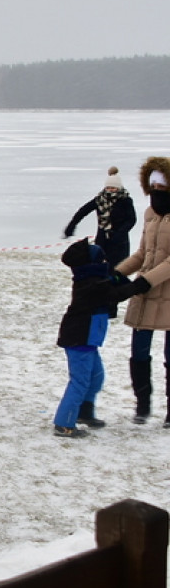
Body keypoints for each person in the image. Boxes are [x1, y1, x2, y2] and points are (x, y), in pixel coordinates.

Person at [54, 239, 149, 437]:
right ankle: (64, 423)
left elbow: (112, 283)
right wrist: (141, 285)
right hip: (79, 339)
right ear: (92, 264)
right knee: (80, 381)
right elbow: (117, 293)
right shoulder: (90, 284)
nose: (106, 262)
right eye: (102, 259)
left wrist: (118, 276)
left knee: (96, 377)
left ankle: (84, 412)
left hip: (89, 340)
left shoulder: (94, 279)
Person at [114, 157, 170, 426]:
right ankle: (142, 405)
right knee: (138, 352)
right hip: (145, 292)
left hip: (165, 291)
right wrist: (116, 273)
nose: (156, 187)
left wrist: (147, 281)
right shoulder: (149, 213)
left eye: (161, 182)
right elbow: (142, 252)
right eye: (153, 183)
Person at [63, 166, 137, 268]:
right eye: (108, 188)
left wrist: (119, 234)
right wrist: (71, 226)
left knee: (119, 271)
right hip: (102, 241)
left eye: (113, 188)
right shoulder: (99, 200)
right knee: (101, 269)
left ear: (119, 188)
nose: (110, 190)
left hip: (120, 243)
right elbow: (82, 211)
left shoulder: (125, 200)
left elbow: (131, 219)